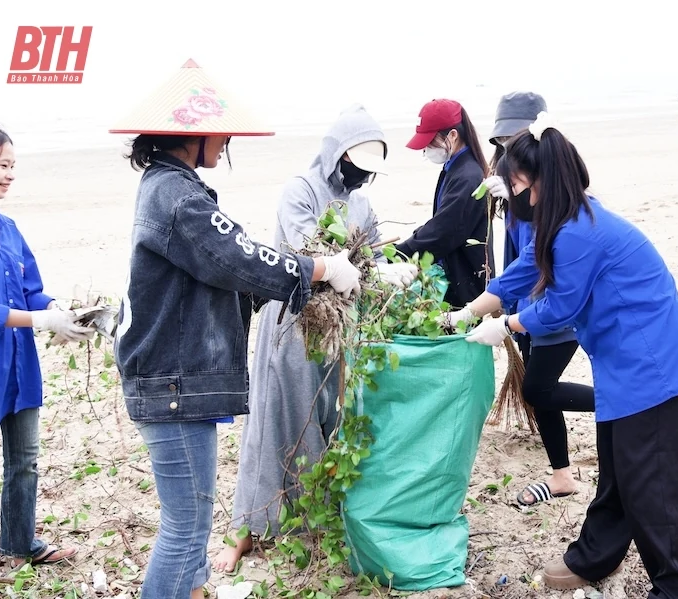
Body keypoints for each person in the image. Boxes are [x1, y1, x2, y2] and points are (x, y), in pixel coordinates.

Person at [108, 60, 363, 599]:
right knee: (185, 530)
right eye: (221, 134)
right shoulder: (176, 197)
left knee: (191, 523)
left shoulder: (172, 188)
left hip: (172, 379)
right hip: (171, 383)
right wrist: (319, 269)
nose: (226, 144)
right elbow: (237, 257)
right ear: (191, 134)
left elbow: (225, 269)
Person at [448, 112, 678, 597]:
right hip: (622, 366)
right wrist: (469, 312)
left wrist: (505, 325)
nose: (513, 197)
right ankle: (593, 557)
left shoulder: (579, 233)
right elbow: (524, 271)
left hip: (653, 370)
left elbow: (557, 307)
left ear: (538, 182)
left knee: (656, 488)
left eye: (516, 184)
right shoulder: (563, 219)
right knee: (618, 471)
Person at [213, 105, 417, 572]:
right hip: (294, 325)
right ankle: (243, 530)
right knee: (273, 424)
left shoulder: (362, 202)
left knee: (329, 420)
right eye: (356, 166)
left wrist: (390, 271)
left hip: (340, 329)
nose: (361, 178)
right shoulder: (299, 191)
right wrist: (360, 269)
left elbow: (371, 250)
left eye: (369, 171)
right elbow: (311, 256)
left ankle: (308, 519)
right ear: (337, 155)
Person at [458, 94, 595, 506]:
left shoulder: (549, 184)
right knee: (541, 388)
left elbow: (538, 260)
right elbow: (516, 256)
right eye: (501, 139)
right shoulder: (514, 178)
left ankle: (620, 400)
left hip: (552, 308)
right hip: (526, 305)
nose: (506, 146)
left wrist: (489, 312)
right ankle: (561, 476)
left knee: (537, 390)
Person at [0, 122, 92, 567]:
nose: (11, 175)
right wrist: (39, 318)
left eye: (14, 166)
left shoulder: (8, 228)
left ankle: (17, 544)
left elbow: (30, 288)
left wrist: (59, 311)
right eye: (3, 165)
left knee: (24, 461)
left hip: (19, 365)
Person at [395, 99, 494, 308]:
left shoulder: (468, 176)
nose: (427, 150)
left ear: (453, 135)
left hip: (465, 283)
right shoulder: (455, 167)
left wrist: (400, 253)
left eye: (430, 142)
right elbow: (442, 221)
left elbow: (444, 230)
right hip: (456, 277)